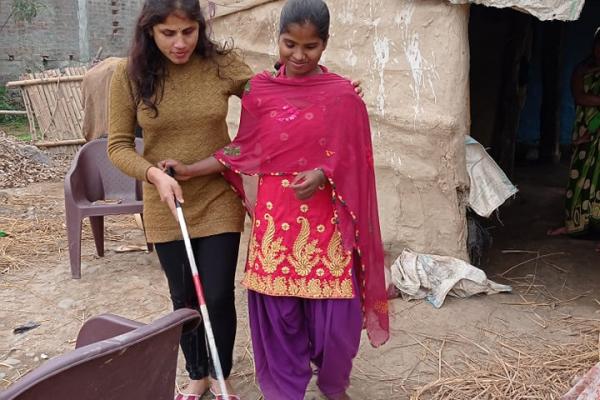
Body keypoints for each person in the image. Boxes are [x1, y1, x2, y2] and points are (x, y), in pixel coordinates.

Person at [107, 1, 363, 399]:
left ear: (200, 28)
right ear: (149, 32)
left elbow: (274, 94)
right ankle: (198, 375)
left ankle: (220, 373)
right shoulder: (128, 75)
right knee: (184, 297)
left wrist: (330, 89)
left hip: (217, 195)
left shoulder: (220, 63)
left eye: (188, 32)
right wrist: (154, 174)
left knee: (218, 293)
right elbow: (119, 146)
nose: (180, 43)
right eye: (168, 34)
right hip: (166, 197)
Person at [548, 28, 600, 251]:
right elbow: (580, 97)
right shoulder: (583, 70)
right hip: (585, 134)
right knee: (579, 180)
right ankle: (574, 224)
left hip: (595, 132)